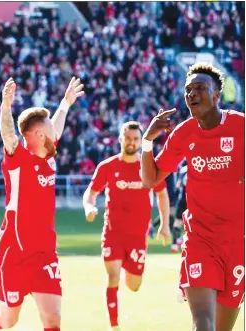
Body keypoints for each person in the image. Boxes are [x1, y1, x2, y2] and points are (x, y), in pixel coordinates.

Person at [0, 77, 84, 331]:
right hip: (14, 254)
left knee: (52, 319)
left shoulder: (48, 157)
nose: (57, 133)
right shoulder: (19, 160)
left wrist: (65, 103)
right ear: (40, 134)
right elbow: (8, 135)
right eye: (51, 129)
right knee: (8, 321)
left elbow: (58, 127)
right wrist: (5, 106)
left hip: (44, 254)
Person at [140, 63, 244, 331]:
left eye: (200, 88)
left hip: (238, 243)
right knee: (202, 323)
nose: (192, 94)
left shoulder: (240, 127)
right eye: (188, 90)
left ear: (217, 95)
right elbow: (151, 179)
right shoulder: (184, 134)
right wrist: (147, 142)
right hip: (201, 240)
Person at [82, 121, 171, 330]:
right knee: (112, 275)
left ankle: (125, 268)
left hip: (138, 237)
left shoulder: (148, 167)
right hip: (113, 233)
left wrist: (165, 224)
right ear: (120, 139)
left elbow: (162, 194)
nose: (131, 142)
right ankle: (114, 325)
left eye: (135, 139)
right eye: (127, 137)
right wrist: (89, 207)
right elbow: (91, 192)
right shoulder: (107, 166)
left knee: (134, 286)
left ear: (141, 141)